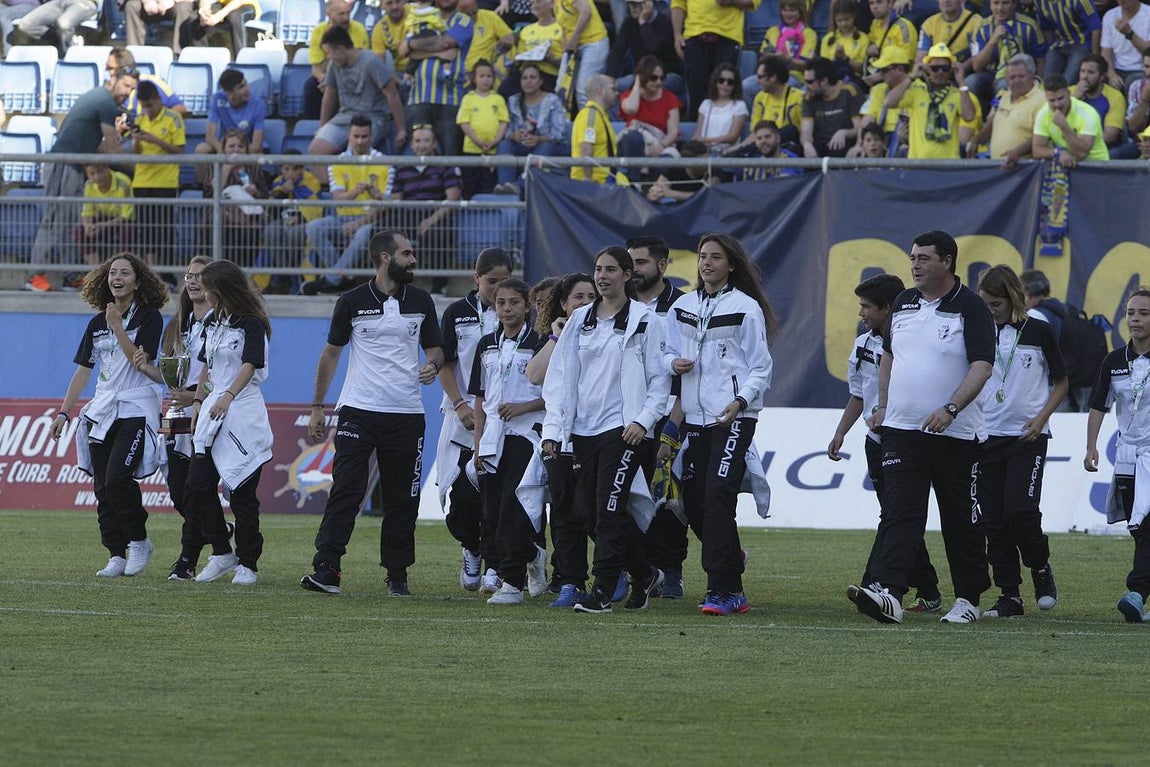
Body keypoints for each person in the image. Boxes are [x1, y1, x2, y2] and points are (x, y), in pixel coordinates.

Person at [850, 230, 995, 625]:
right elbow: (889, 355)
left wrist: (951, 408)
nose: (914, 264)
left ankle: (967, 599)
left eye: (924, 258)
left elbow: (982, 365)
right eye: (913, 257)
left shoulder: (971, 307)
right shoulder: (903, 302)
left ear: (947, 261)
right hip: (901, 430)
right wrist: (882, 405)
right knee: (901, 512)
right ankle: (890, 595)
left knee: (959, 519)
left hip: (956, 433)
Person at [301, 231, 445, 597]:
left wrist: (432, 364)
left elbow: (436, 349)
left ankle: (397, 575)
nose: (413, 260)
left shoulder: (422, 300)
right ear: (385, 257)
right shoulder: (351, 301)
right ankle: (327, 569)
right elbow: (330, 354)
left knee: (402, 499)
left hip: (407, 414)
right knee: (347, 490)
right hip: (358, 411)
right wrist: (317, 407)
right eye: (407, 253)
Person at [541, 246, 671, 614]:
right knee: (587, 513)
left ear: (627, 275)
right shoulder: (580, 319)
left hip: (623, 431)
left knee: (609, 510)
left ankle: (600, 591)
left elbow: (659, 382)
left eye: (611, 270)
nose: (602, 276)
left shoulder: (645, 320)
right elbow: (560, 378)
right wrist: (554, 428)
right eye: (598, 269)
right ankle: (644, 574)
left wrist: (642, 422)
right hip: (582, 432)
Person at [663, 233, 775, 616]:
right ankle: (729, 557)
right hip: (694, 420)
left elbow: (761, 366)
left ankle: (724, 590)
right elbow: (662, 352)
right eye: (702, 256)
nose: (706, 263)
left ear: (731, 265)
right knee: (693, 503)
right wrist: (671, 365)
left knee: (717, 498)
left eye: (715, 257)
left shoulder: (746, 307)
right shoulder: (683, 305)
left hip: (734, 417)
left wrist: (740, 400)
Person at [828, 273, 944, 612]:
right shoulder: (863, 343)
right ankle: (927, 588)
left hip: (907, 439)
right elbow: (857, 395)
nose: (861, 314)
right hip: (875, 441)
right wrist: (840, 432)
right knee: (895, 516)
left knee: (896, 515)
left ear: (888, 308)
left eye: (866, 307)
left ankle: (876, 583)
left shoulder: (914, 341)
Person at [50, 253, 168, 579]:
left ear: (138, 281)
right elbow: (83, 371)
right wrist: (63, 412)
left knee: (118, 478)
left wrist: (117, 328)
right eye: (112, 272)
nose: (117, 278)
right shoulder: (95, 323)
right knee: (101, 486)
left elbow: (139, 362)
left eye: (124, 273)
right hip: (102, 410)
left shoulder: (149, 317)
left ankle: (140, 540)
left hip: (135, 407)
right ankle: (116, 553)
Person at [974, 265, 1066, 618]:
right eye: (985, 304)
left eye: (995, 304)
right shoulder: (980, 333)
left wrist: (1040, 420)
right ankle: (1009, 595)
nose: (990, 310)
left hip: (1028, 437)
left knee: (1020, 511)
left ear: (1012, 296)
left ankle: (1040, 568)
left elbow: (1061, 383)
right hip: (986, 437)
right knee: (993, 521)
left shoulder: (1039, 331)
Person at [182, 260, 273, 586]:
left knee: (241, 493)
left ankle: (248, 562)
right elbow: (206, 365)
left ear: (223, 289)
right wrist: (198, 401)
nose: (203, 292)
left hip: (242, 409)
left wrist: (229, 396)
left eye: (208, 286)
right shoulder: (215, 322)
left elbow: (250, 365)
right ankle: (222, 550)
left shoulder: (252, 323)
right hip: (212, 409)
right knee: (198, 486)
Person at [131, 256, 216, 581]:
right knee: (179, 491)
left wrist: (197, 395)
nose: (193, 281)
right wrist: (144, 367)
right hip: (176, 413)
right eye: (189, 276)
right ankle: (218, 530)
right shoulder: (178, 324)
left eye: (200, 276)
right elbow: (169, 377)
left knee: (197, 488)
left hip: (204, 412)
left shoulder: (221, 321)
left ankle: (187, 560)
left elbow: (225, 371)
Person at [437, 248, 512, 594]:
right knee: (462, 500)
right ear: (476, 278)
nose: (498, 290)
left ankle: (496, 567)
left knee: (497, 496)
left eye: (504, 281)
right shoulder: (456, 313)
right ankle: (472, 547)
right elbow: (446, 363)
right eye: (491, 282)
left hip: (503, 421)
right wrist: (459, 404)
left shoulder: (516, 311)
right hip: (463, 419)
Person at [471, 278, 549, 604]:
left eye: (514, 302)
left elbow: (553, 394)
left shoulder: (541, 342)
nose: (506, 309)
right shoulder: (486, 344)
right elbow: (480, 399)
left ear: (527, 306)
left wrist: (524, 406)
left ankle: (511, 583)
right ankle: (533, 553)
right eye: (501, 303)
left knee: (511, 510)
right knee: (492, 514)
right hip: (492, 439)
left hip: (526, 434)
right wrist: (477, 444)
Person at [27, 66, 138, 293]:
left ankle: (71, 276)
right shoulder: (105, 101)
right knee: (55, 219)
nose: (128, 92)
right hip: (65, 164)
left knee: (69, 221)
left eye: (132, 89)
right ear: (114, 78)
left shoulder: (99, 98)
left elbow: (97, 146)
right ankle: (36, 277)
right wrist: (139, 169)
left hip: (74, 166)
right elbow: (111, 147)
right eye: (126, 85)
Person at [526, 272, 597, 607]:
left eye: (590, 296)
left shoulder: (609, 332)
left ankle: (627, 571)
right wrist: (557, 337)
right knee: (565, 512)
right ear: (564, 304)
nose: (584, 303)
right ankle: (570, 581)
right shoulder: (555, 337)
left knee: (595, 512)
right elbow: (534, 376)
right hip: (558, 437)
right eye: (577, 297)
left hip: (599, 433)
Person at [1085, 288, 1150, 623]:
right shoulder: (1114, 361)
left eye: (1143, 313)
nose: (1135, 319)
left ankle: (1136, 593)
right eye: (1130, 312)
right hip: (1127, 458)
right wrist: (1091, 445)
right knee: (1139, 530)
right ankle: (1140, 595)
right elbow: (1098, 405)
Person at [626, 236, 686, 597]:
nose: (634, 270)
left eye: (642, 263)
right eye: (629, 263)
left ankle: (671, 570)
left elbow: (687, 370)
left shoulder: (683, 306)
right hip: (628, 418)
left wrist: (673, 425)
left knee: (670, 500)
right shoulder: (617, 306)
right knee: (628, 497)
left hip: (672, 415)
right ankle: (637, 569)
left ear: (662, 266)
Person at [303, 116, 392, 294]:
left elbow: (384, 205)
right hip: (341, 219)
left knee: (362, 234)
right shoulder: (338, 161)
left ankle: (332, 279)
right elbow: (337, 198)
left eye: (364, 136)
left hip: (370, 221)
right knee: (314, 227)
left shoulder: (384, 162)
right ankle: (344, 278)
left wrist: (359, 221)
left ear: (371, 136)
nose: (360, 141)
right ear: (348, 136)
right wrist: (356, 192)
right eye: (356, 136)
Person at [310, 25, 407, 156]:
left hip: (373, 118)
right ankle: (334, 178)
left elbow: (392, 94)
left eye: (329, 52)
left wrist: (401, 129)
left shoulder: (372, 61)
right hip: (344, 117)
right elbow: (329, 95)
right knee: (315, 151)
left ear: (340, 49)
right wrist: (322, 127)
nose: (328, 57)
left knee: (355, 150)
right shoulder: (334, 64)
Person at [387, 125, 463, 280]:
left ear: (434, 143)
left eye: (426, 141)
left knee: (438, 233)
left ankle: (438, 284)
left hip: (437, 215)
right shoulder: (402, 168)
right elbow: (396, 200)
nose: (421, 145)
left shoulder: (446, 165)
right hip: (408, 214)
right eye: (417, 141)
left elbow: (452, 199)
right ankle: (389, 279)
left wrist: (431, 220)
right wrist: (380, 196)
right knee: (381, 230)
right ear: (412, 145)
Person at [402, 0, 474, 158]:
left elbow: (446, 42)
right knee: (415, 156)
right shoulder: (421, 15)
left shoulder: (463, 20)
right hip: (418, 97)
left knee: (450, 156)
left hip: (450, 98)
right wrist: (437, 53)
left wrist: (414, 45)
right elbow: (402, 50)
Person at [130, 79, 186, 275]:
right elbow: (135, 154)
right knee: (145, 231)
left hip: (165, 183)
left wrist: (155, 140)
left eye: (150, 105)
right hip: (142, 182)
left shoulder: (174, 118)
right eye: (144, 106)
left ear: (159, 99)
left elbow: (180, 151)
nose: (148, 110)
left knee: (165, 231)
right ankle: (148, 275)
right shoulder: (140, 119)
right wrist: (137, 140)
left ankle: (166, 275)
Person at [883, 43, 975, 159]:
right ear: (927, 69)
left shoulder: (958, 93)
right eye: (935, 68)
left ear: (951, 69)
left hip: (948, 166)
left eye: (945, 68)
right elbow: (889, 102)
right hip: (918, 165)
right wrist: (911, 76)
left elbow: (969, 116)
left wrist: (962, 82)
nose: (940, 72)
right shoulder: (916, 91)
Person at [493, 62, 571, 194]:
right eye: (525, 78)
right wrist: (513, 135)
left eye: (533, 77)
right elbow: (506, 130)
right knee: (505, 145)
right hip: (523, 145)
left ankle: (520, 186)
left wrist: (539, 139)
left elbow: (559, 134)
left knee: (545, 147)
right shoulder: (513, 101)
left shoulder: (552, 100)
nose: (528, 81)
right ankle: (505, 186)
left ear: (540, 81)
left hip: (549, 146)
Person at [671, 0, 756, 120]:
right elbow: (678, 5)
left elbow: (753, 2)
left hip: (728, 36)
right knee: (696, 91)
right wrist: (677, 35)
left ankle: (725, 133)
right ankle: (697, 135)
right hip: (694, 37)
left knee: (725, 89)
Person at [256, 151, 324, 295]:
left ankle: (292, 279)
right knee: (270, 231)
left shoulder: (312, 181)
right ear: (281, 169)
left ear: (301, 169)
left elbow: (315, 209)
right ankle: (283, 275)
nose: (291, 173)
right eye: (286, 169)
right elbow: (271, 210)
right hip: (281, 221)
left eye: (295, 169)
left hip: (304, 222)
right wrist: (282, 191)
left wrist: (299, 217)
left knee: (293, 234)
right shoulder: (277, 182)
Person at [967, 0, 1046, 116]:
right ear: (990, 5)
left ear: (1014, 4)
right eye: (996, 3)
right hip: (990, 73)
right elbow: (977, 66)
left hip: (1019, 75)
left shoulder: (1029, 25)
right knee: (971, 81)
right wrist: (992, 41)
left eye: (1005, 3)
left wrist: (1038, 81)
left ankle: (998, 119)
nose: (1000, 8)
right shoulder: (981, 27)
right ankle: (981, 118)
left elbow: (1041, 59)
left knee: (1004, 84)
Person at [968, 53, 1044, 168]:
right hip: (999, 168)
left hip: (1025, 169)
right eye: (1012, 77)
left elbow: (1042, 136)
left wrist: (1017, 152)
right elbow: (995, 123)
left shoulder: (1041, 100)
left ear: (1032, 77)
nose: (1016, 81)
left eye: (1021, 76)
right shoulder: (1004, 96)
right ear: (1006, 80)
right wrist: (976, 140)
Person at [194, 69, 267, 188]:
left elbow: (256, 144)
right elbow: (210, 136)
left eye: (246, 84)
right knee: (201, 149)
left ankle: (252, 187)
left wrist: (236, 154)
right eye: (241, 87)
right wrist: (225, 152)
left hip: (245, 147)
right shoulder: (217, 99)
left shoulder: (258, 104)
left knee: (257, 154)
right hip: (226, 146)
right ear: (230, 94)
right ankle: (204, 187)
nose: (247, 89)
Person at [305, 0, 371, 120]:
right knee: (310, 86)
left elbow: (361, 61)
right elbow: (316, 68)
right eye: (341, 14)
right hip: (327, 75)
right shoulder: (318, 31)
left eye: (348, 13)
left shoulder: (359, 29)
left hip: (353, 75)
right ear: (329, 15)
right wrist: (323, 79)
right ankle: (313, 123)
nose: (346, 18)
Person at [608, 0, 683, 100]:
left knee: (644, 88)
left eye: (636, 4)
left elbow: (653, 48)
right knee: (610, 89)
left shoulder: (665, 22)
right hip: (641, 76)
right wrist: (610, 78)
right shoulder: (629, 22)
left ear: (649, 4)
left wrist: (643, 22)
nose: (632, 7)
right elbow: (617, 52)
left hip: (668, 75)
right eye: (630, 4)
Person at [215, 130, 269, 268]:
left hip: (250, 217)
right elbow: (211, 194)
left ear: (246, 150)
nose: (236, 150)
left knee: (249, 231)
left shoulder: (254, 168)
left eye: (240, 146)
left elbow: (265, 196)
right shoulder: (216, 166)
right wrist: (226, 170)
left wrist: (255, 193)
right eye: (232, 146)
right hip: (222, 214)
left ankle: (245, 273)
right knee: (217, 226)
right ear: (224, 149)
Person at [1031, 73, 1110, 166]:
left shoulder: (1088, 113)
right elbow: (1037, 150)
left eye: (1060, 98)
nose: (1057, 105)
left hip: (1096, 165)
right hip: (1067, 165)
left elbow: (1082, 153)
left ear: (1069, 93)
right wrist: (1058, 153)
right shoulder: (1044, 113)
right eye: (1052, 100)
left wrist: (1064, 126)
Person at [457, 59, 510, 198]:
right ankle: (469, 216)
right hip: (471, 150)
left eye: (489, 76)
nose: (485, 80)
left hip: (492, 151)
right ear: (474, 79)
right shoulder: (468, 98)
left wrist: (495, 142)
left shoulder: (498, 99)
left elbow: (503, 122)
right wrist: (478, 142)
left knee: (488, 185)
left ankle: (486, 217)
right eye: (481, 76)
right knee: (470, 185)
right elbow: (464, 123)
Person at [617, 54, 682, 160]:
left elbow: (673, 132)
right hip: (635, 146)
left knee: (668, 157)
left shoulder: (670, 98)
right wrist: (637, 83)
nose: (658, 82)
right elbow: (631, 109)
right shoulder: (629, 95)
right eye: (653, 78)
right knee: (634, 137)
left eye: (662, 78)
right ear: (644, 76)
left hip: (659, 143)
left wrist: (660, 146)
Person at [801, 57, 865, 158]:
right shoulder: (808, 97)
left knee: (839, 148)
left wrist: (844, 132)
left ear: (824, 81)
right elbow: (806, 131)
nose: (806, 86)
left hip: (843, 144)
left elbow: (859, 127)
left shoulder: (849, 91)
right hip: (820, 145)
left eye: (809, 82)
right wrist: (807, 145)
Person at [77, 165, 134, 272]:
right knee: (80, 231)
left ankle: (122, 270)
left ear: (107, 169)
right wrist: (88, 226)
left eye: (100, 172)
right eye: (92, 174)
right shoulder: (89, 185)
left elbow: (126, 215)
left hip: (121, 221)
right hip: (102, 218)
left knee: (128, 231)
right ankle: (97, 272)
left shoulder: (122, 182)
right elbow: (87, 212)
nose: (97, 177)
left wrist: (101, 226)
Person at [554, 0, 610, 110]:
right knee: (561, 88)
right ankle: (562, 124)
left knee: (584, 90)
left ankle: (590, 123)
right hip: (574, 45)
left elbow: (586, 12)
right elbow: (564, 23)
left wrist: (574, 38)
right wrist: (565, 42)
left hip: (594, 42)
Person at [1029, 0, 1101, 85]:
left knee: (1067, 81)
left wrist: (1094, 58)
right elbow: (1046, 28)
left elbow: (1096, 29)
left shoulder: (1081, 1)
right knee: (1047, 82)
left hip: (1082, 43)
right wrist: (1051, 45)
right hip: (1059, 42)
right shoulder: (1039, 2)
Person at [1075, 53, 1132, 157]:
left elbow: (1110, 135)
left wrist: (1083, 145)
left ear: (1102, 76)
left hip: (1102, 147)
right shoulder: (1069, 93)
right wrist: (1075, 100)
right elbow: (1055, 124)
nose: (1084, 76)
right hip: (1074, 146)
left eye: (1090, 72)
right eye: (1082, 71)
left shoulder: (1115, 96)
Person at [571, 74, 622, 184]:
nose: (617, 93)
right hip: (595, 183)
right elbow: (586, 147)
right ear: (601, 91)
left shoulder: (599, 115)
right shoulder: (591, 115)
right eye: (613, 89)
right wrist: (587, 178)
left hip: (605, 181)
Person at [758, 0, 817, 84]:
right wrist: (773, 57)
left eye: (792, 10)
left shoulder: (809, 34)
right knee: (746, 86)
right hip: (769, 74)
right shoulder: (772, 31)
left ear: (801, 11)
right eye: (785, 10)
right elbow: (762, 58)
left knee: (784, 84)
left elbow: (806, 64)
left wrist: (787, 59)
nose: (788, 14)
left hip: (794, 76)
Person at [695, 63, 748, 154]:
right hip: (703, 151)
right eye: (721, 80)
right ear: (715, 82)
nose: (725, 84)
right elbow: (697, 134)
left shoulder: (740, 105)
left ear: (735, 85)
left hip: (725, 152)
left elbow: (732, 137)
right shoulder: (706, 104)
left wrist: (708, 140)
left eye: (730, 82)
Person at [863, 0, 918, 88]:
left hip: (901, 83)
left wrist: (881, 76)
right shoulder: (875, 23)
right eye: (871, 3)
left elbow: (907, 63)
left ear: (890, 3)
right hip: (878, 75)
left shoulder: (904, 26)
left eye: (879, 2)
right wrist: (870, 48)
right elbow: (871, 43)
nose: (874, 7)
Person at [12, 0, 97, 55]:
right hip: (56, 2)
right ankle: (66, 41)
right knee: (25, 25)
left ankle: (70, 54)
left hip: (84, 2)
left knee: (64, 24)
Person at [1101, 0, 1150, 91]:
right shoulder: (1110, 16)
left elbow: (1148, 53)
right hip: (1117, 69)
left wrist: (1130, 34)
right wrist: (1111, 75)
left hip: (1142, 70)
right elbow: (1105, 54)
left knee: (1131, 82)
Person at [916, 0, 978, 68]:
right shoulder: (928, 24)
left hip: (963, 68)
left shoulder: (975, 22)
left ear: (961, 1)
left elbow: (976, 55)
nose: (947, 1)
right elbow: (922, 54)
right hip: (936, 69)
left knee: (973, 79)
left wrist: (961, 68)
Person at [731, 120, 802, 180]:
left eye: (767, 137)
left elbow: (785, 182)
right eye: (759, 138)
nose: (763, 141)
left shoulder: (790, 159)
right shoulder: (752, 165)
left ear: (778, 138)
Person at [819, 1, 869, 84]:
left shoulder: (863, 38)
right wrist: (836, 58)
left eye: (847, 19)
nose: (843, 24)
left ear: (853, 16)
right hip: (831, 81)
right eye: (839, 20)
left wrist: (845, 58)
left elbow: (862, 69)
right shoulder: (828, 39)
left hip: (853, 80)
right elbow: (822, 67)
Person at [123, 0, 197, 54]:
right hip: (152, 3)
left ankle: (181, 55)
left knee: (183, 8)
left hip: (178, 4)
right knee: (132, 6)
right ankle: (135, 54)